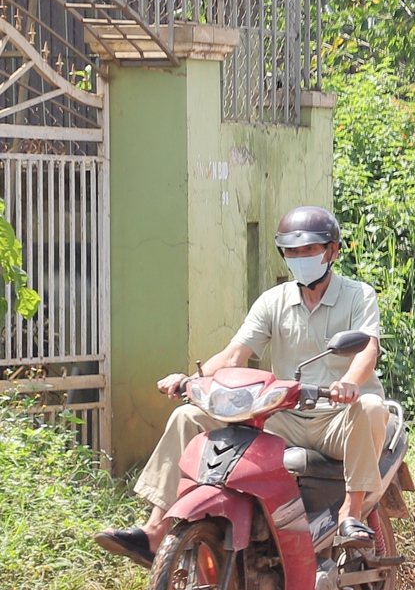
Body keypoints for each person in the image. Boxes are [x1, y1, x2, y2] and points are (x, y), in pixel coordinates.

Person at [95, 206, 388, 568]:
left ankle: (350, 513)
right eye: (292, 252)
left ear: (332, 252)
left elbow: (368, 350)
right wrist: (192, 380)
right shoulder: (274, 300)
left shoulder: (358, 295)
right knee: (189, 416)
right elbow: (236, 353)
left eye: (309, 251)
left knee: (373, 407)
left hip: (340, 418)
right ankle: (156, 530)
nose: (300, 259)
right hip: (288, 415)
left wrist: (348, 384)